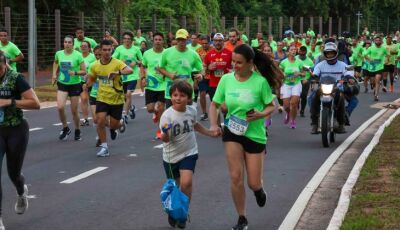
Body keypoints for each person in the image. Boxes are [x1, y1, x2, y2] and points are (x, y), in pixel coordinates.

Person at [209, 44, 283, 230]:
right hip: (233, 131)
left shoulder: (260, 82)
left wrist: (260, 114)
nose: (234, 65)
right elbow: (214, 104)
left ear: (250, 63)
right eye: (233, 61)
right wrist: (213, 124)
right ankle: (242, 217)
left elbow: (271, 105)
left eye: (239, 62)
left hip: (255, 134)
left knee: (253, 182)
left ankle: (258, 190)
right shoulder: (226, 80)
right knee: (235, 177)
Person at [160, 80, 218, 229]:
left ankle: (183, 214)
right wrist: (165, 134)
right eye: (174, 95)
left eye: (182, 95)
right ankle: (174, 210)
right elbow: (165, 139)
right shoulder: (167, 116)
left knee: (186, 183)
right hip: (171, 156)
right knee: (177, 187)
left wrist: (209, 133)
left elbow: (195, 124)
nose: (178, 98)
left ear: (189, 97)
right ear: (170, 96)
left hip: (189, 152)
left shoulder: (192, 110)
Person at [0, 51, 40, 230]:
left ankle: (21, 191)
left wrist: (10, 102)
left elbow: (35, 103)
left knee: (13, 173)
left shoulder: (16, 78)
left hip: (16, 129)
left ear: (5, 63)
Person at [87, 39, 133, 157]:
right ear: (100, 51)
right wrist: (87, 84)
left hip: (116, 98)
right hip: (102, 97)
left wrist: (118, 73)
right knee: (99, 120)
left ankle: (121, 123)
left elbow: (130, 70)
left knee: (113, 125)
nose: (107, 52)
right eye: (104, 50)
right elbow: (91, 78)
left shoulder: (117, 63)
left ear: (112, 49)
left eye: (109, 50)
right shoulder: (95, 65)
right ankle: (104, 147)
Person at [52, 35, 86, 141]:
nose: (67, 44)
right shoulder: (59, 54)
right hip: (62, 83)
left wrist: (75, 72)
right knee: (60, 107)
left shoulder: (78, 55)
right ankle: (65, 127)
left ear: (73, 44)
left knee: (74, 111)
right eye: (65, 42)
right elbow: (56, 62)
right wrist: (53, 74)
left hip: (75, 84)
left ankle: (77, 130)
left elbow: (84, 71)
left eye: (69, 42)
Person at [158, 29, 203, 108]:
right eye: (179, 39)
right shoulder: (167, 52)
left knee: (188, 116)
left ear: (187, 39)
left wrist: (200, 75)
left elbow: (201, 69)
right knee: (171, 117)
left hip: (187, 89)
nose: (181, 42)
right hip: (172, 89)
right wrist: (169, 74)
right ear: (176, 40)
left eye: (183, 39)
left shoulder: (193, 54)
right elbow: (160, 67)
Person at [310, 42, 348, 134]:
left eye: (332, 52)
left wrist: (348, 78)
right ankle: (314, 123)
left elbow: (348, 73)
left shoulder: (342, 65)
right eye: (328, 53)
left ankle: (341, 124)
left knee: (342, 99)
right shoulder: (320, 65)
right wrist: (314, 77)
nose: (330, 54)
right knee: (312, 97)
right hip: (323, 88)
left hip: (337, 88)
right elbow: (315, 73)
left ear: (336, 53)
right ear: (325, 54)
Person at [112, 31, 143, 123]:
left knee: (128, 94)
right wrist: (120, 62)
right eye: (125, 39)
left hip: (132, 75)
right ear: (123, 40)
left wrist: (136, 62)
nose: (127, 40)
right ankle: (131, 107)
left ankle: (125, 114)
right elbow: (113, 60)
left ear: (132, 40)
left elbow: (142, 61)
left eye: (129, 39)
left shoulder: (136, 49)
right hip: (122, 75)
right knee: (124, 96)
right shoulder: (119, 49)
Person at [141, 32, 166, 139]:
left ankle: (160, 130)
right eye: (156, 39)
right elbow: (142, 66)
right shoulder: (147, 53)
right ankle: (155, 113)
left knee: (161, 107)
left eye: (160, 39)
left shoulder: (167, 53)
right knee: (150, 109)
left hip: (164, 84)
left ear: (163, 41)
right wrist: (142, 78)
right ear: (153, 41)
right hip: (151, 85)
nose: (158, 41)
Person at [279, 45, 305, 128]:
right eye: (291, 50)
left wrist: (300, 74)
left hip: (296, 84)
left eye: (295, 50)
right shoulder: (283, 62)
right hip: (286, 84)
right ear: (288, 52)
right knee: (286, 106)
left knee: (293, 104)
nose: (294, 51)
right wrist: (282, 74)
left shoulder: (299, 62)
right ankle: (288, 113)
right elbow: (279, 72)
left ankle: (293, 121)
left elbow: (304, 73)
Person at [86, 46, 102, 147]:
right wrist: (86, 83)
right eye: (96, 55)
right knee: (96, 119)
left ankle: (114, 128)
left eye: (99, 54)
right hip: (94, 94)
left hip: (106, 95)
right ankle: (99, 137)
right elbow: (89, 80)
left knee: (103, 120)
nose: (97, 56)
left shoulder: (109, 65)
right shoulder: (92, 65)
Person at [364, 36, 388, 101]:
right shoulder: (371, 48)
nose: (377, 41)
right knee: (373, 81)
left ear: (381, 41)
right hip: (372, 67)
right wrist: (369, 59)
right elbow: (365, 55)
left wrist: (386, 60)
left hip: (380, 67)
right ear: (374, 41)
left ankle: (376, 95)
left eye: (379, 40)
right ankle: (374, 87)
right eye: (376, 40)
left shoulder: (383, 48)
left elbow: (387, 55)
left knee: (377, 80)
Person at [195, 35, 213, 121]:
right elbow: (195, 64)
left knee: (213, 97)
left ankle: (214, 111)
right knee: (202, 94)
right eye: (203, 43)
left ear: (209, 43)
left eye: (206, 43)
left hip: (213, 76)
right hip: (202, 76)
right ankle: (204, 113)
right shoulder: (198, 51)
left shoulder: (213, 50)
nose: (204, 45)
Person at [80, 41, 96, 126]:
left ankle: (97, 115)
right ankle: (85, 119)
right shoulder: (78, 56)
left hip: (92, 80)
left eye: (85, 46)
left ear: (89, 48)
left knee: (93, 99)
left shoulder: (93, 57)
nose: (83, 47)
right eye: (82, 46)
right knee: (84, 98)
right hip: (81, 81)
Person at [297, 46, 314, 117]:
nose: (302, 53)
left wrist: (307, 80)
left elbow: (312, 73)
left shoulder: (310, 61)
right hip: (296, 80)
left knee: (304, 95)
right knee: (297, 95)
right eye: (301, 52)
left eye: (303, 52)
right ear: (299, 51)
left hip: (306, 80)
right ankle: (297, 106)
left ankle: (302, 110)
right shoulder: (295, 59)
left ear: (306, 52)